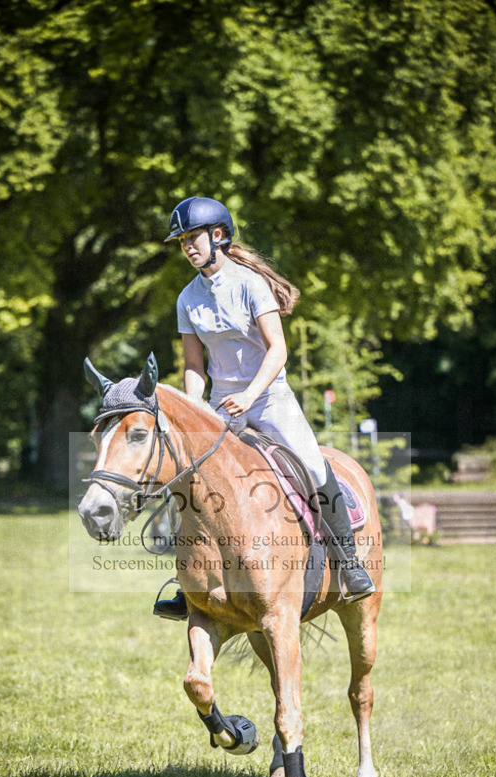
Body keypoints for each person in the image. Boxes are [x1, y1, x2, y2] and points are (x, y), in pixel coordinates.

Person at [153, 196, 376, 619]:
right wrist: (195, 409)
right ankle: (191, 583)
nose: (186, 246)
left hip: (270, 398)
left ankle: (349, 564)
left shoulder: (250, 284)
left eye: (192, 237)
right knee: (187, 479)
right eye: (181, 240)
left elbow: (278, 350)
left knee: (312, 465)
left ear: (218, 235)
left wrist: (251, 395)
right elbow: (194, 365)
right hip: (221, 406)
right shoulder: (187, 298)